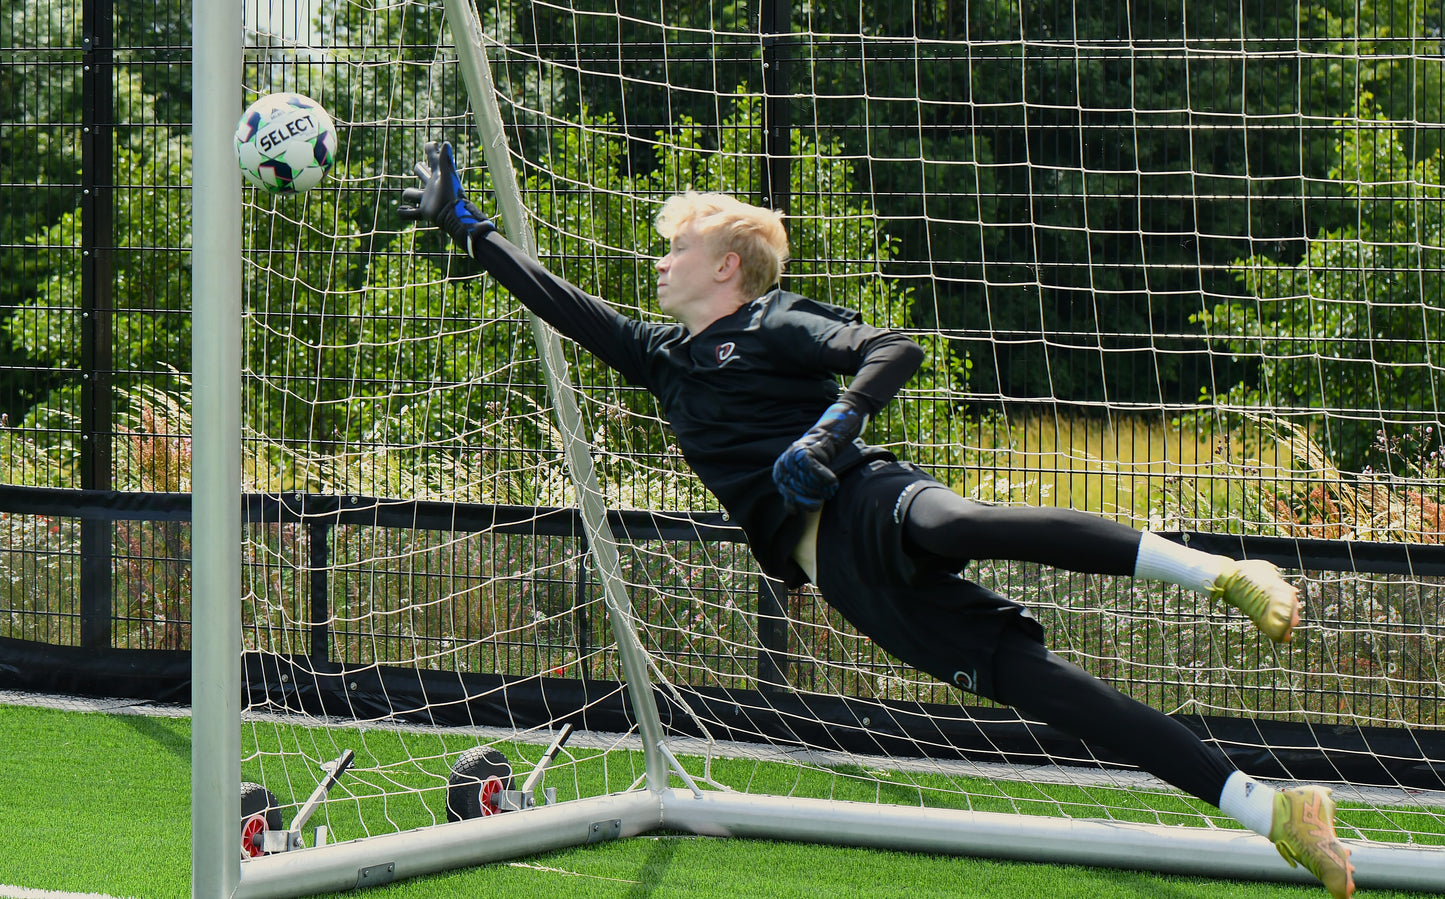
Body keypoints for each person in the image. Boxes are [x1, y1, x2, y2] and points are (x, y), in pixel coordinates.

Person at [399, 142, 1354, 899]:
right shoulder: (663, 356)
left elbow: (892, 346)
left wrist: (829, 431)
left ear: (726, 265)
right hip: (843, 577)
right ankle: (1271, 812)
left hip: (865, 495)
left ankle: (1220, 572)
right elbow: (561, 306)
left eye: (675, 245)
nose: (658, 259)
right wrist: (468, 226)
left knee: (951, 524)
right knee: (1045, 690)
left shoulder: (769, 321)